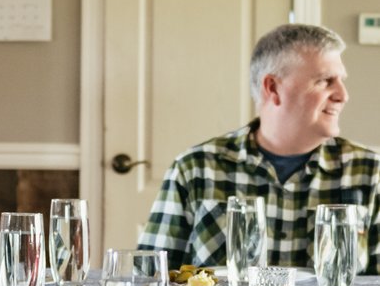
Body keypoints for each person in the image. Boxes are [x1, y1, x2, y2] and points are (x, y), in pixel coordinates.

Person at [138, 23, 380, 271]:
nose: (343, 94)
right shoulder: (195, 169)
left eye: (340, 80)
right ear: (273, 88)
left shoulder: (370, 172)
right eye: (325, 81)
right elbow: (148, 282)